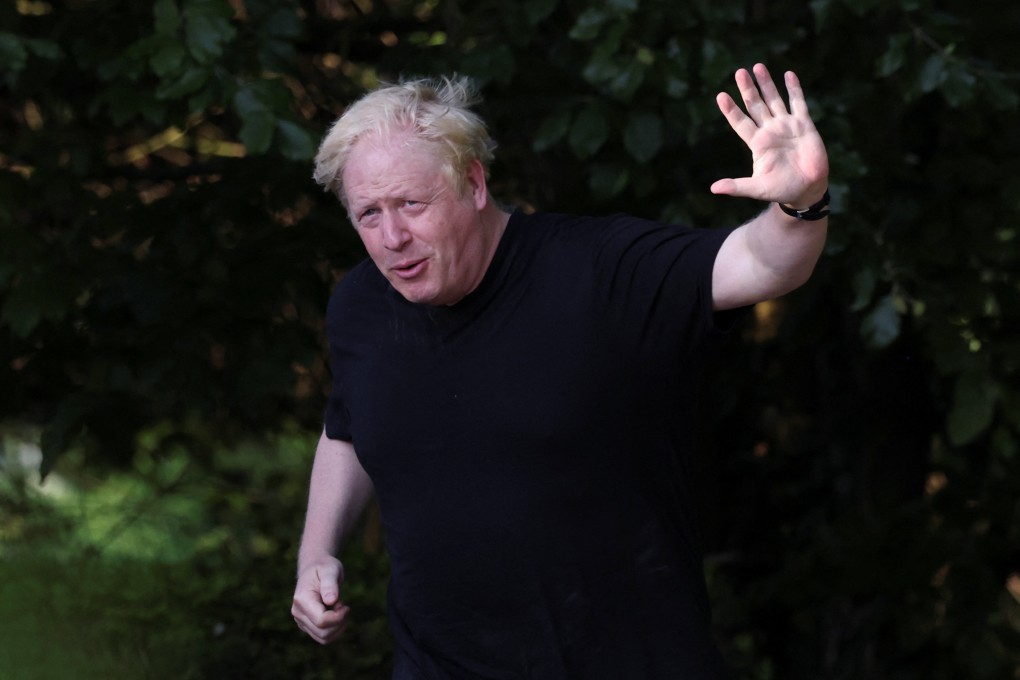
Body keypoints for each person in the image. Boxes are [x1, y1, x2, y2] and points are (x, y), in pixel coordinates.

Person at [291, 63, 829, 678]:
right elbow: (350, 428)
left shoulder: (596, 271)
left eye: (411, 204)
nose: (392, 237)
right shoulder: (360, 305)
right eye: (368, 214)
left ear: (473, 182)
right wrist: (316, 553)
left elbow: (761, 265)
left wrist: (801, 201)